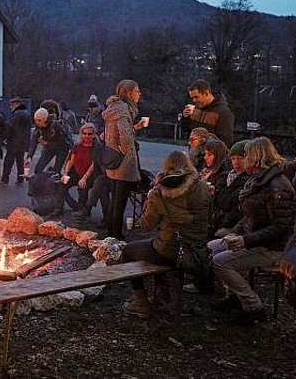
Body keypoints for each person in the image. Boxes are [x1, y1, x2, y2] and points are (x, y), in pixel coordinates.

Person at [208, 137, 295, 324]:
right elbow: (247, 216)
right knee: (211, 248)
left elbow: (281, 227)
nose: (242, 159)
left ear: (256, 158)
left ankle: (253, 306)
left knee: (220, 262)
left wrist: (245, 240)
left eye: (246, 155)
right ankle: (236, 297)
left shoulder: (276, 186)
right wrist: (236, 233)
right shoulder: (257, 180)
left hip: (272, 247)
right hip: (255, 238)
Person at [121, 151, 211, 316]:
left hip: (171, 251)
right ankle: (164, 297)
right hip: (197, 249)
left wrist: (149, 201)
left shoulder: (160, 192)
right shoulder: (204, 188)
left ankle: (140, 302)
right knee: (153, 246)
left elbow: (146, 225)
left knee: (128, 251)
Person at [102, 80, 149, 239]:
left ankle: (111, 234)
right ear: (128, 93)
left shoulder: (114, 108)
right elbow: (125, 138)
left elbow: (118, 133)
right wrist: (124, 152)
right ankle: (116, 236)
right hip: (122, 164)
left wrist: (136, 127)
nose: (139, 93)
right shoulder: (123, 110)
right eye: (137, 91)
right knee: (119, 203)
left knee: (114, 199)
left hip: (113, 161)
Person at [209, 140, 249, 239]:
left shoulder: (248, 182)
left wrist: (217, 219)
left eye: (240, 158)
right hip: (217, 219)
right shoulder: (226, 177)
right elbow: (217, 203)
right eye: (233, 158)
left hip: (231, 225)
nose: (236, 162)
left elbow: (238, 213)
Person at [180, 79, 235, 146]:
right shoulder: (196, 107)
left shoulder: (224, 112)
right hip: (193, 152)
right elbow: (186, 129)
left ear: (206, 93)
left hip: (209, 154)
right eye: (192, 98)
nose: (194, 100)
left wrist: (205, 146)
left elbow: (225, 141)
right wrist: (185, 117)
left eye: (196, 97)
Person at [60, 123, 98, 215]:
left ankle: (83, 210)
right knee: (61, 185)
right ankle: (64, 208)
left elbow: (94, 165)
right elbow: (71, 161)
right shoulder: (77, 146)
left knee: (82, 187)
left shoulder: (96, 147)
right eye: (84, 133)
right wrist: (65, 173)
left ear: (93, 135)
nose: (87, 136)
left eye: (89, 134)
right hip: (76, 173)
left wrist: (84, 178)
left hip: (89, 175)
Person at [26, 106, 72, 175]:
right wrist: (29, 157)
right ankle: (39, 183)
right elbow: (33, 142)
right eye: (35, 120)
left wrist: (47, 143)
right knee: (38, 169)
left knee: (56, 171)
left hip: (62, 148)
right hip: (50, 148)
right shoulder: (38, 128)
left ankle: (53, 183)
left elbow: (64, 141)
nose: (37, 122)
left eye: (39, 120)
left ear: (44, 119)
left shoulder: (56, 126)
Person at [1, 97, 31, 187]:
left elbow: (12, 128)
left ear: (17, 104)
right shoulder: (27, 113)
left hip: (14, 141)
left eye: (12, 104)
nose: (11, 107)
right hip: (22, 142)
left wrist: (6, 137)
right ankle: (20, 179)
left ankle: (5, 180)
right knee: (20, 162)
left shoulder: (17, 114)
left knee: (8, 162)